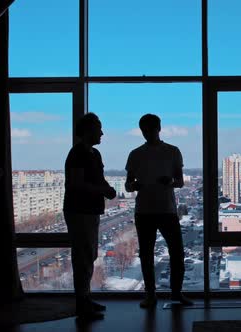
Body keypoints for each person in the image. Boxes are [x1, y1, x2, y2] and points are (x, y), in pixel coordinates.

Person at [125, 113, 193, 308]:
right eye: (145, 131)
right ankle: (152, 295)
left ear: (158, 128)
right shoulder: (136, 154)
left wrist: (170, 182)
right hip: (147, 211)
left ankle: (174, 293)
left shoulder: (172, 152)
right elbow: (128, 185)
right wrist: (133, 186)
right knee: (147, 254)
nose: (148, 134)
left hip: (165, 210)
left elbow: (179, 181)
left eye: (150, 130)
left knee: (176, 253)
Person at [63, 113, 116, 321]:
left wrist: (107, 189)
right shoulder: (77, 153)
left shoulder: (94, 154)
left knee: (89, 255)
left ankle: (85, 299)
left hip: (90, 211)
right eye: (98, 128)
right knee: (83, 257)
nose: (102, 133)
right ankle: (82, 304)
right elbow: (77, 185)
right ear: (87, 131)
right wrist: (102, 191)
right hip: (79, 211)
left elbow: (98, 180)